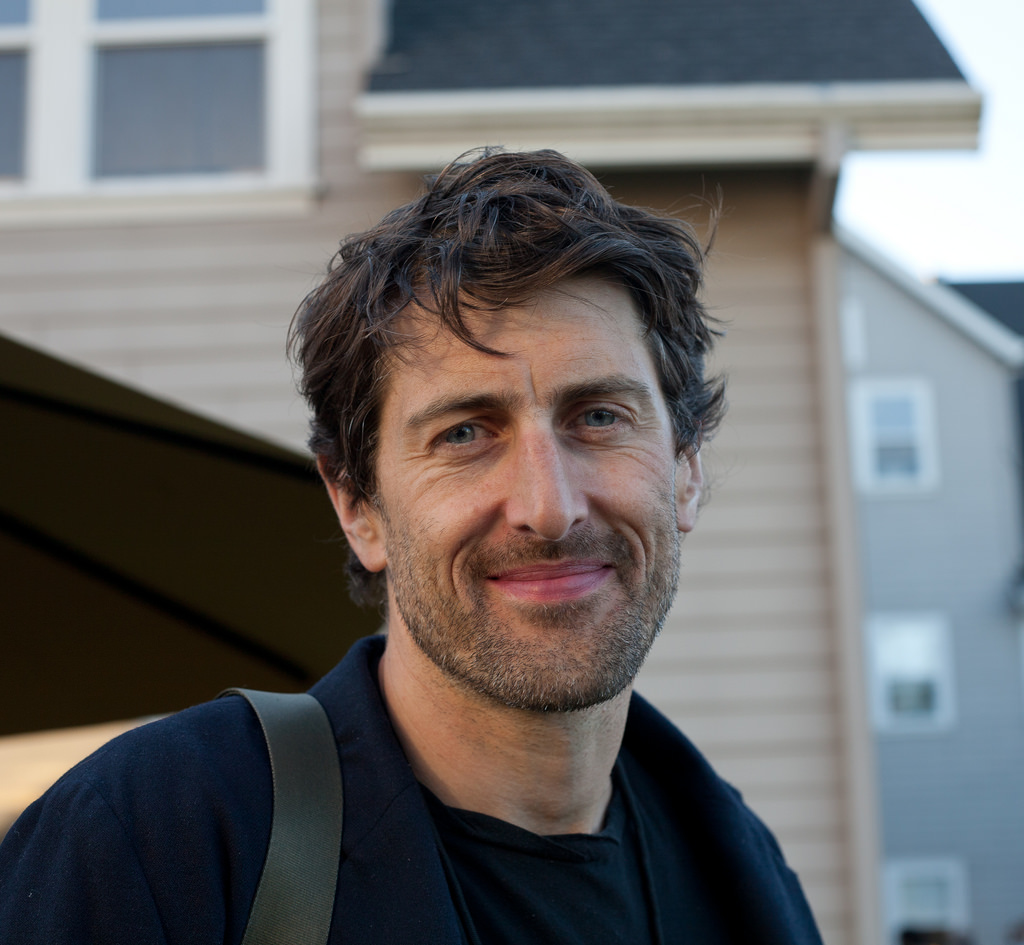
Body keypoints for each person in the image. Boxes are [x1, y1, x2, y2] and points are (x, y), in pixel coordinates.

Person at [0, 149, 823, 943]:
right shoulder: (149, 845)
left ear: (686, 469)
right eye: (465, 432)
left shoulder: (747, 882)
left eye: (599, 417)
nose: (549, 508)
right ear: (357, 504)